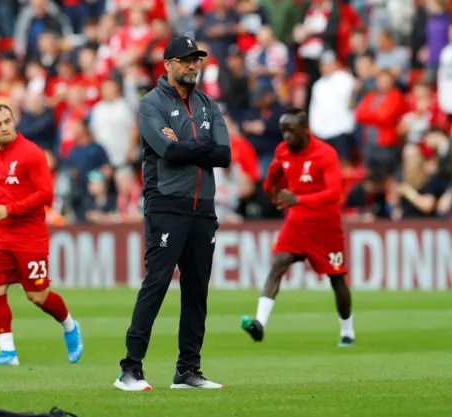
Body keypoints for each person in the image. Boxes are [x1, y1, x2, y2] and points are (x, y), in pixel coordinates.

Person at [115, 36, 231, 391]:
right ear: (167, 65)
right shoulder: (152, 103)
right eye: (185, 60)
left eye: (196, 60)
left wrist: (187, 147)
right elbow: (167, 150)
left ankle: (187, 370)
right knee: (157, 284)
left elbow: (224, 155)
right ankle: (130, 370)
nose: (192, 66)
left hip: (203, 208)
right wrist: (199, 148)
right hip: (167, 203)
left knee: (197, 291)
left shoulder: (209, 104)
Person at [0, 103, 83, 366]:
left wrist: (9, 209)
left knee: (37, 295)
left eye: (7, 121)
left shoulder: (31, 153)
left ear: (13, 120)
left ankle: (70, 326)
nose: (3, 128)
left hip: (30, 236)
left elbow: (45, 194)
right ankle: (8, 352)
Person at [240, 108, 355, 347]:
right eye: (283, 131)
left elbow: (335, 193)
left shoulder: (325, 154)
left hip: (325, 225)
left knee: (336, 279)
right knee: (278, 263)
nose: (286, 136)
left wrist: (299, 199)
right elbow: (272, 180)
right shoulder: (282, 150)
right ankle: (259, 324)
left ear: (305, 130)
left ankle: (347, 330)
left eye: (291, 131)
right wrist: (272, 184)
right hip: (297, 221)